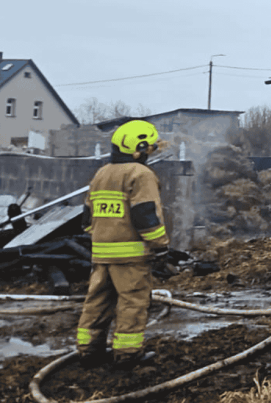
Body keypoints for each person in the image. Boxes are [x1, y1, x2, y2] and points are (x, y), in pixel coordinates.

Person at [75, 120, 168, 370]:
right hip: (131, 256)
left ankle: (88, 351)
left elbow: (86, 218)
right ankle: (127, 355)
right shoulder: (141, 174)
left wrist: (103, 237)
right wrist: (160, 245)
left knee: (97, 302)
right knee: (132, 303)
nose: (152, 152)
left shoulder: (102, 173)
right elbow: (145, 214)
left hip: (101, 255)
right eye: (150, 147)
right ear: (139, 148)